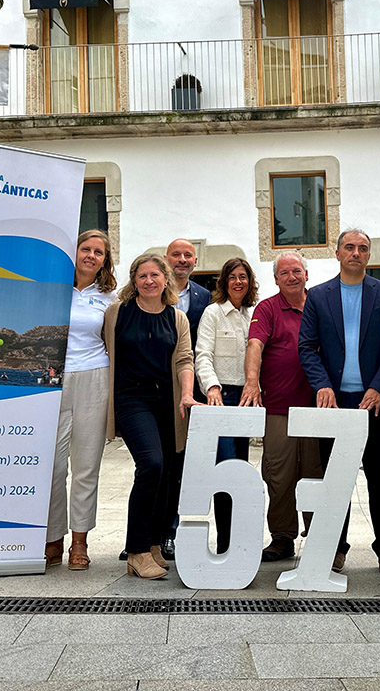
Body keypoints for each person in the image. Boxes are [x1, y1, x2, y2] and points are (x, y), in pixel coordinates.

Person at [298, 229, 380, 577]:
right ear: (338, 253)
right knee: (336, 480)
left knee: (379, 478)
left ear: (369, 255)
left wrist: (378, 387)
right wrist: (322, 385)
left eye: (362, 248)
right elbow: (306, 347)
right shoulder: (318, 296)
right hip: (334, 404)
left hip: (375, 403)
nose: (355, 253)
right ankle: (336, 548)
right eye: (349, 247)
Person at [103, 253, 197, 580]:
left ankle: (155, 543)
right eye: (142, 276)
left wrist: (187, 394)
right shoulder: (118, 313)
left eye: (155, 275)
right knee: (151, 464)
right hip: (131, 400)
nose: (148, 281)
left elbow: (184, 359)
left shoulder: (177, 318)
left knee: (168, 473)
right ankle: (137, 550)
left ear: (165, 279)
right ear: (134, 280)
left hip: (167, 403)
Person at [241, 251, 323, 563]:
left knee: (316, 473)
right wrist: (252, 381)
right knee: (279, 475)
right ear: (276, 279)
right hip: (278, 409)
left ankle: (320, 537)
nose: (291, 277)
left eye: (296, 271)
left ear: (306, 275)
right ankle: (282, 538)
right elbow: (255, 344)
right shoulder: (268, 308)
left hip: (318, 409)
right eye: (285, 272)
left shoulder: (320, 306)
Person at [45, 230, 118, 571]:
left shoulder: (110, 297)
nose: (91, 256)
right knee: (53, 466)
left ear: (105, 260)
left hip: (94, 377)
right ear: (73, 253)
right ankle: (52, 538)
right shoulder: (52, 289)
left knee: (86, 467)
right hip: (53, 380)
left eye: (98, 252)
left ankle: (79, 541)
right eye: (85, 249)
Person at [151, 238, 210, 561]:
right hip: (152, 389)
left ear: (196, 261)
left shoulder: (204, 297)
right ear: (166, 258)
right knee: (150, 464)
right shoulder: (150, 291)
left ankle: (169, 532)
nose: (182, 260)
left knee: (177, 465)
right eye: (176, 254)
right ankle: (144, 534)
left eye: (188, 255)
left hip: (189, 392)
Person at [194, 257, 258, 554]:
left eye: (243, 276)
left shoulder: (253, 315)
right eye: (232, 277)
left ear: (250, 281)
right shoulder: (213, 313)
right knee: (225, 470)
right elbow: (202, 354)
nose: (238, 282)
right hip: (221, 398)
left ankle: (239, 544)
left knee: (241, 472)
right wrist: (212, 387)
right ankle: (225, 545)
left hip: (246, 400)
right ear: (224, 281)